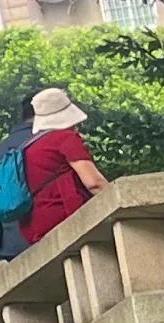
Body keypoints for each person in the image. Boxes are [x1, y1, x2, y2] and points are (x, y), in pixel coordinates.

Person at [14, 85, 101, 245]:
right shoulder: (65, 138)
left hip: (37, 228)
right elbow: (94, 183)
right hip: (68, 217)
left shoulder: (28, 149)